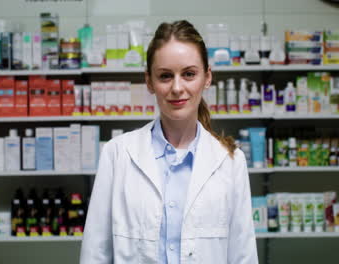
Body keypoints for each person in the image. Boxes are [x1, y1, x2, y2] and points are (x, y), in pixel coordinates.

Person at [80, 20, 258, 264]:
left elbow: (243, 255)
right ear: (149, 82)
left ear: (207, 77)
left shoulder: (230, 161)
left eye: (189, 74)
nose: (177, 87)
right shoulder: (117, 154)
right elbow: (95, 254)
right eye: (165, 76)